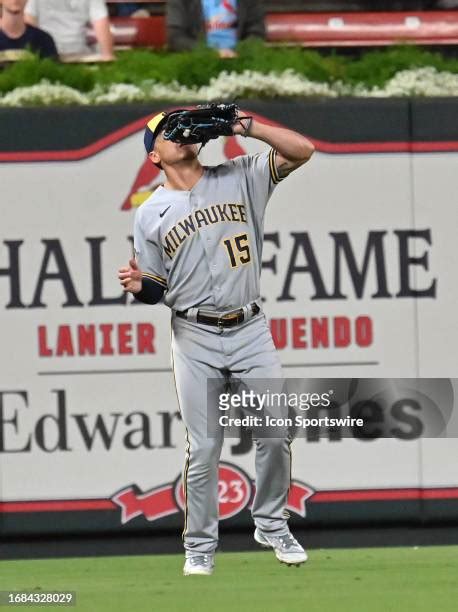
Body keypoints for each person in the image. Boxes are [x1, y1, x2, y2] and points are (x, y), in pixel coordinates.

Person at [118, 108, 315, 576]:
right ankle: (199, 548)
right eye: (167, 132)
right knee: (205, 446)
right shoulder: (149, 212)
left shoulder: (241, 174)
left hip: (249, 328)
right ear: (154, 157)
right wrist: (138, 285)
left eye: (182, 127)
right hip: (194, 334)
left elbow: (302, 151)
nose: (179, 134)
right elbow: (156, 290)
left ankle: (270, 522)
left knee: (276, 432)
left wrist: (246, 126)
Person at [167, 0, 265, 58]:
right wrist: (210, 52)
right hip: (198, 60)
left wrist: (237, 53)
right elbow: (175, 38)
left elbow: (257, 34)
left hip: (240, 60)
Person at [25, 0, 114, 59]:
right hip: (47, 54)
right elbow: (29, 23)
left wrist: (107, 56)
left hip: (78, 55)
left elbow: (101, 23)